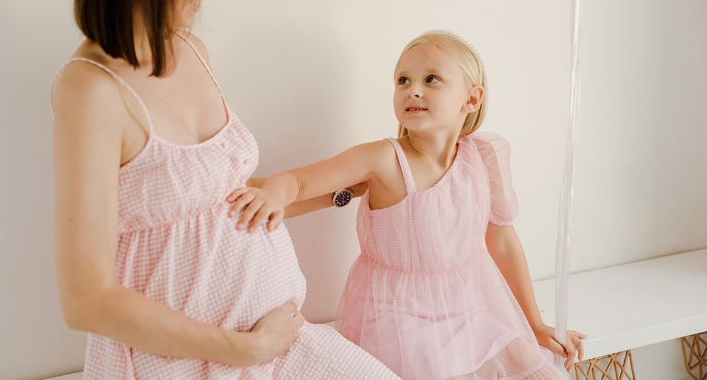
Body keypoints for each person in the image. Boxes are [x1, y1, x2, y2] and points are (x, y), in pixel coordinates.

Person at [51, 0, 400, 378]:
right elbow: (86, 301)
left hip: (281, 343)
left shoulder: (192, 49)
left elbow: (212, 207)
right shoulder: (92, 90)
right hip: (190, 362)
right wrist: (243, 350)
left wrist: (335, 192)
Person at [227, 30, 587, 379]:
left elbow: (504, 243)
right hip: (397, 317)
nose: (412, 89)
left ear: (471, 99)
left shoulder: (484, 157)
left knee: (533, 366)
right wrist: (274, 194)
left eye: (431, 79)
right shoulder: (383, 159)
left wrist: (534, 323)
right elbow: (299, 182)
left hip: (470, 305)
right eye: (402, 80)